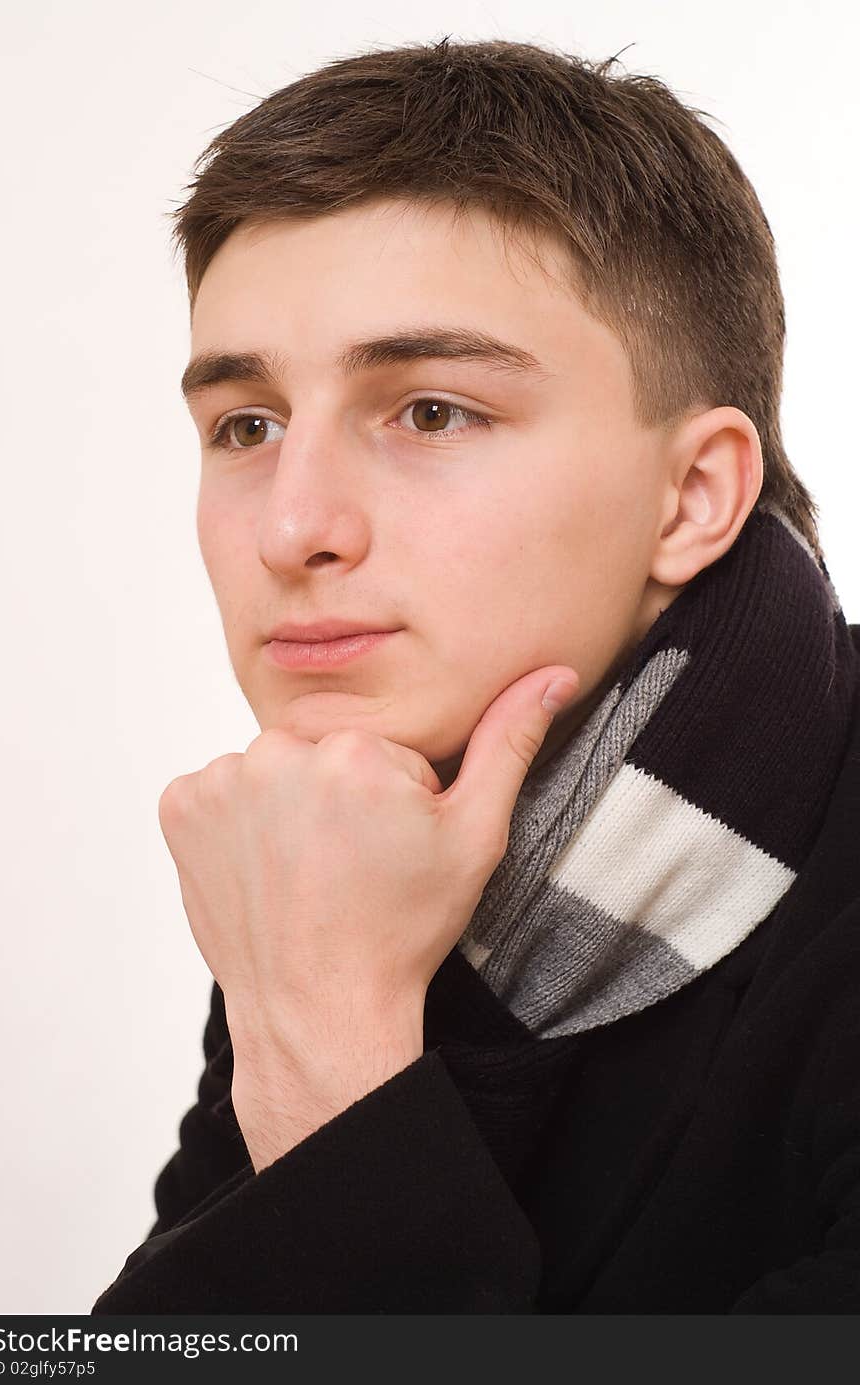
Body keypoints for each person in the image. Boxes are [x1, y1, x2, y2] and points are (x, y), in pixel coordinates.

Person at [91, 36, 860, 1313]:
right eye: (247, 425)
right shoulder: (349, 866)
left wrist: (337, 1070)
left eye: (431, 411)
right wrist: (322, 1011)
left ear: (689, 494)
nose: (293, 527)